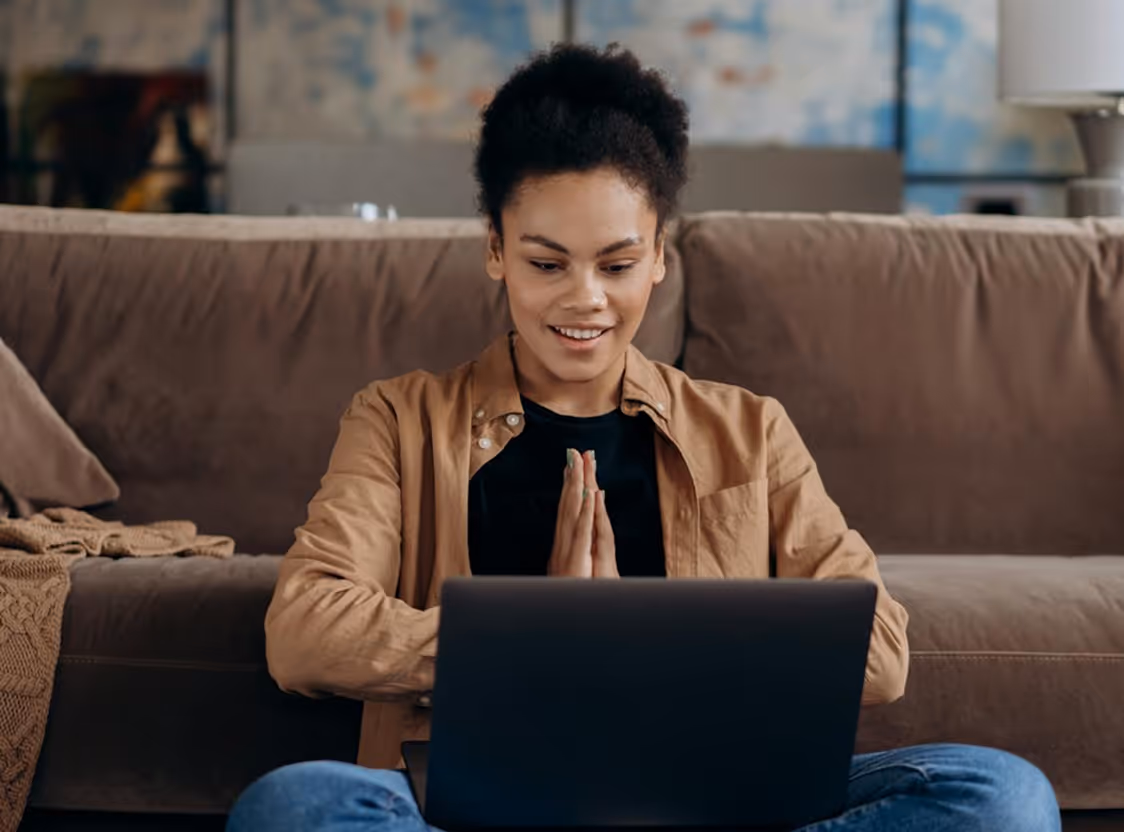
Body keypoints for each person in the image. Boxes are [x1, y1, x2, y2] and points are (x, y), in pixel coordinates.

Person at [228, 44, 1060, 832]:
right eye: (547, 263)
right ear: (495, 250)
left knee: (1001, 796)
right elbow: (303, 631)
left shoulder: (749, 430)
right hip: (472, 801)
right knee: (294, 806)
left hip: (708, 796)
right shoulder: (398, 419)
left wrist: (632, 642)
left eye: (617, 264)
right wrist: (534, 642)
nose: (584, 299)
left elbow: (880, 654)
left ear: (659, 255)